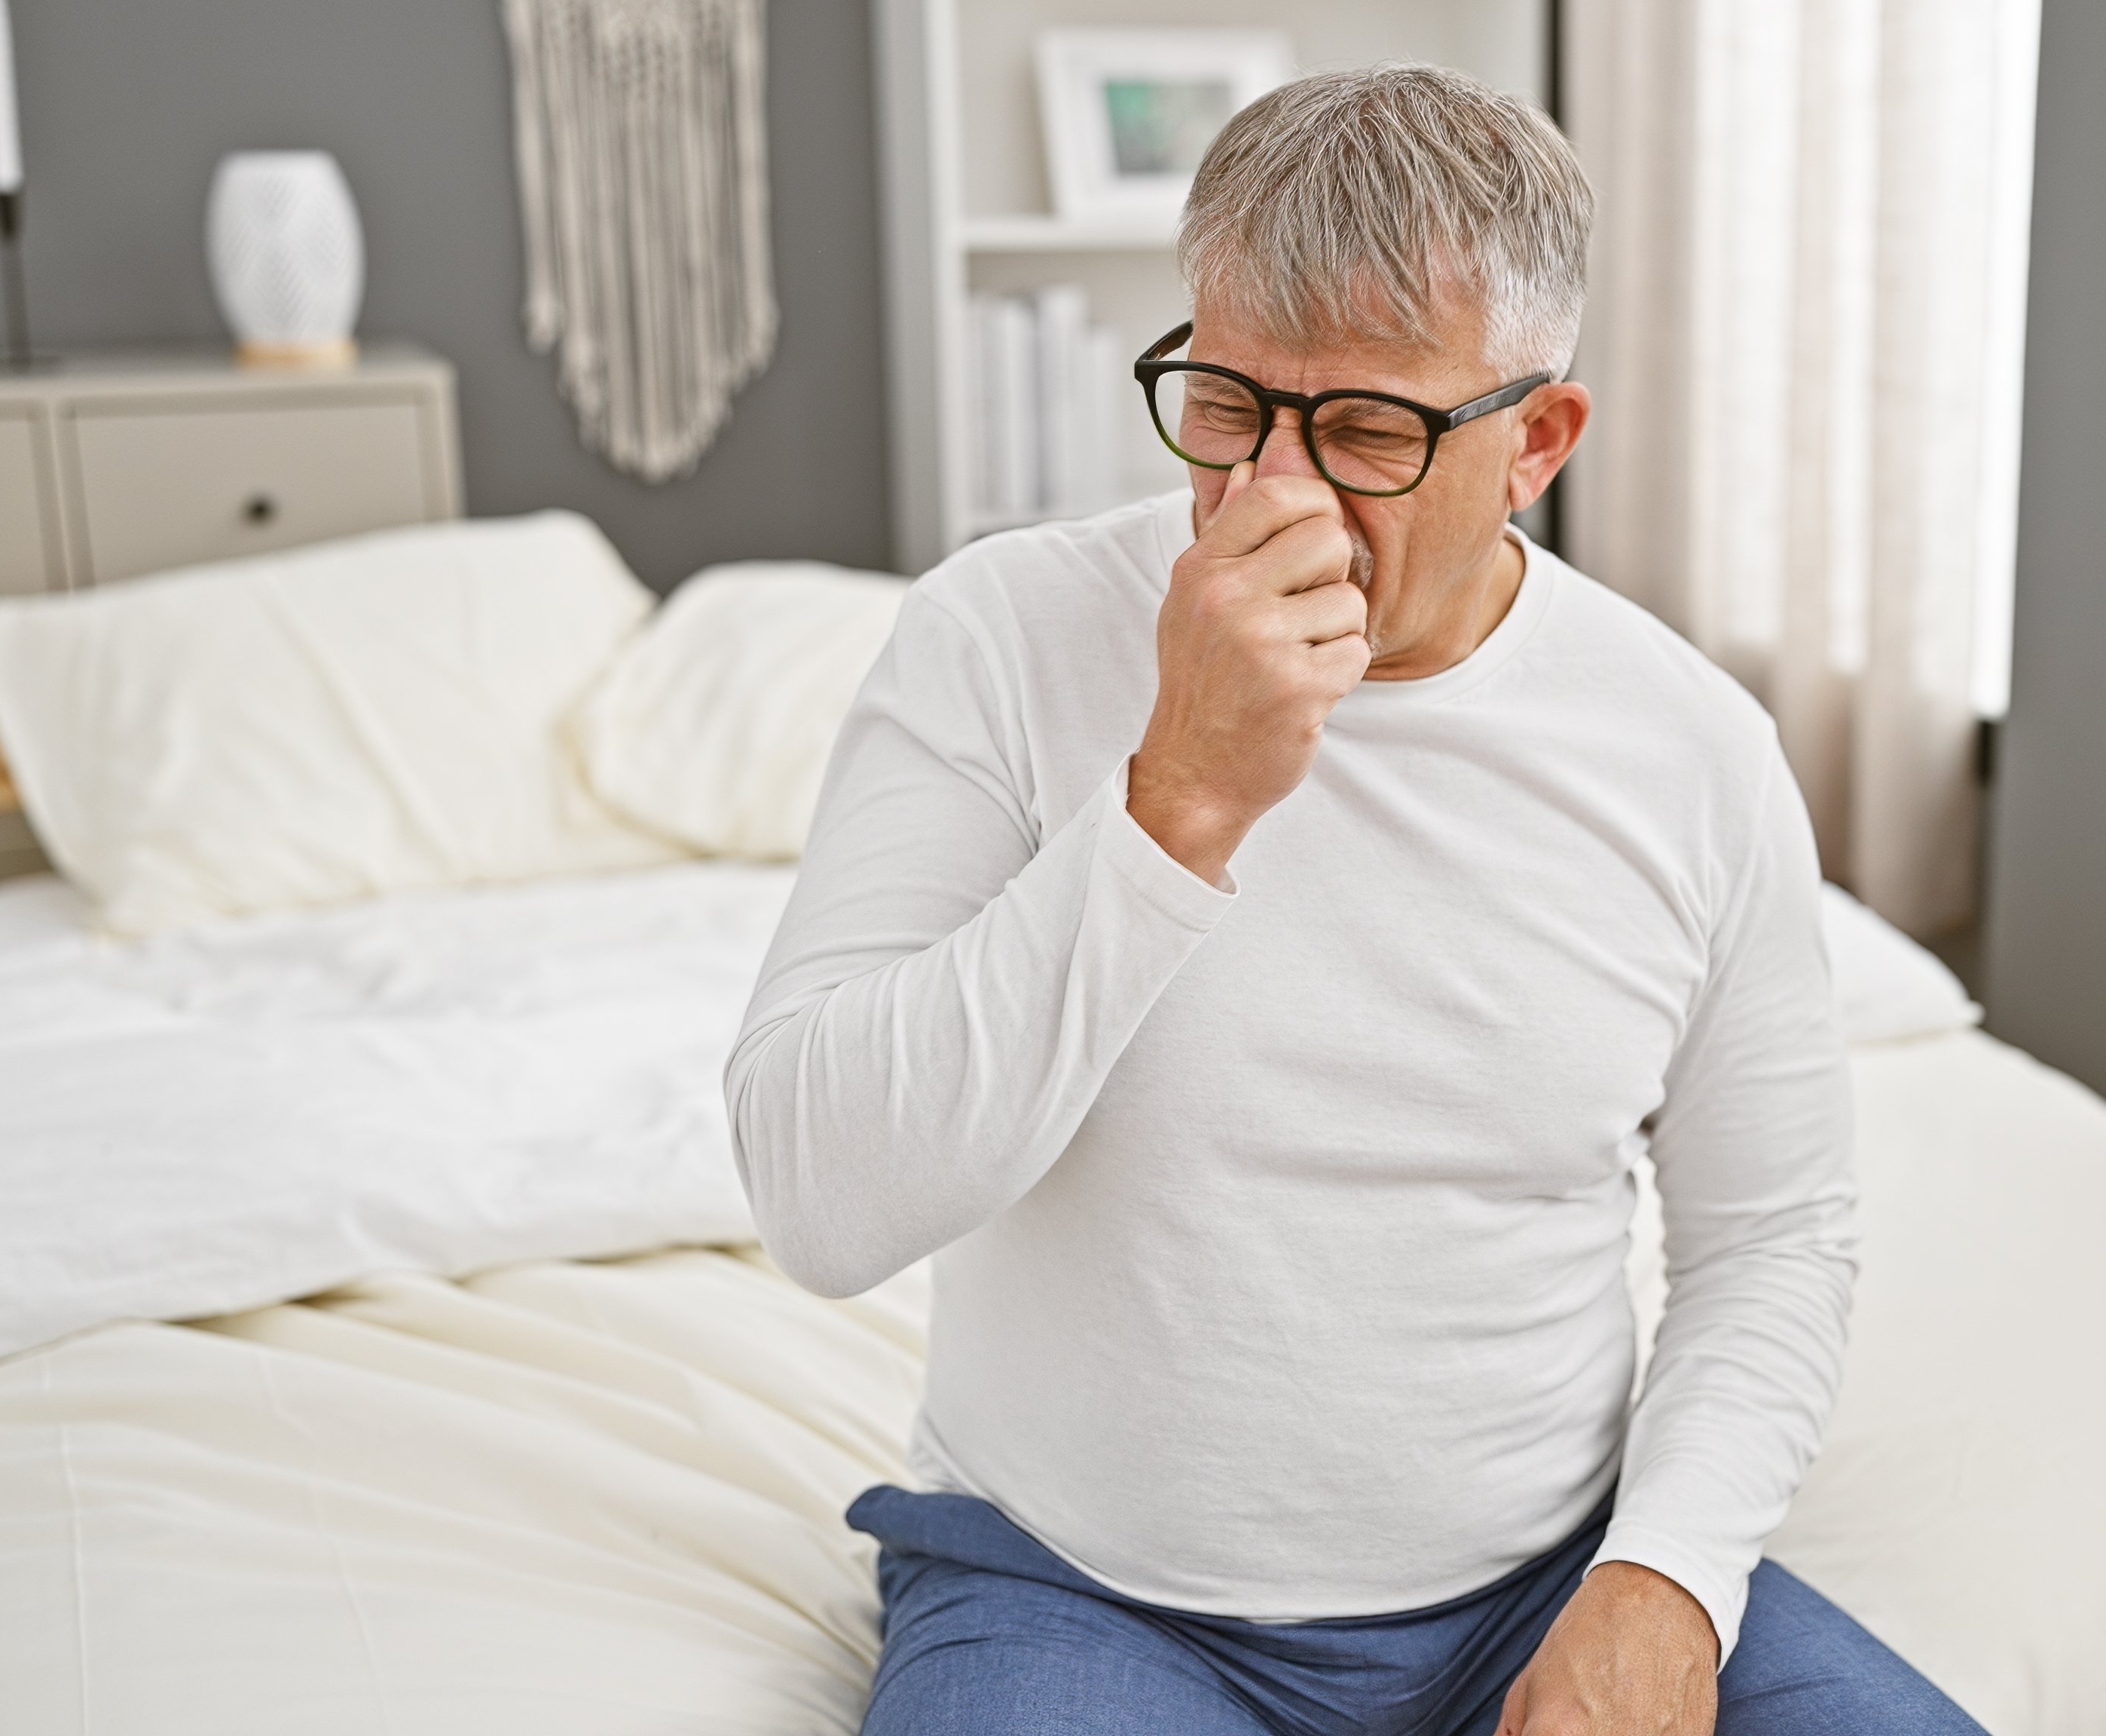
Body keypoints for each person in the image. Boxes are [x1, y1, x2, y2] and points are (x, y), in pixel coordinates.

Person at [727, 62, 1985, 1736]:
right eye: (1229, 403)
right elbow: (820, 1203)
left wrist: (1664, 1579)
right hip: (1076, 1584)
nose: (1275, 492)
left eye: (1371, 430)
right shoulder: (1001, 640)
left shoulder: (1687, 749)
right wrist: (1176, 797)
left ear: (1534, 440)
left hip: (1553, 1573)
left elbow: (1768, 1236)